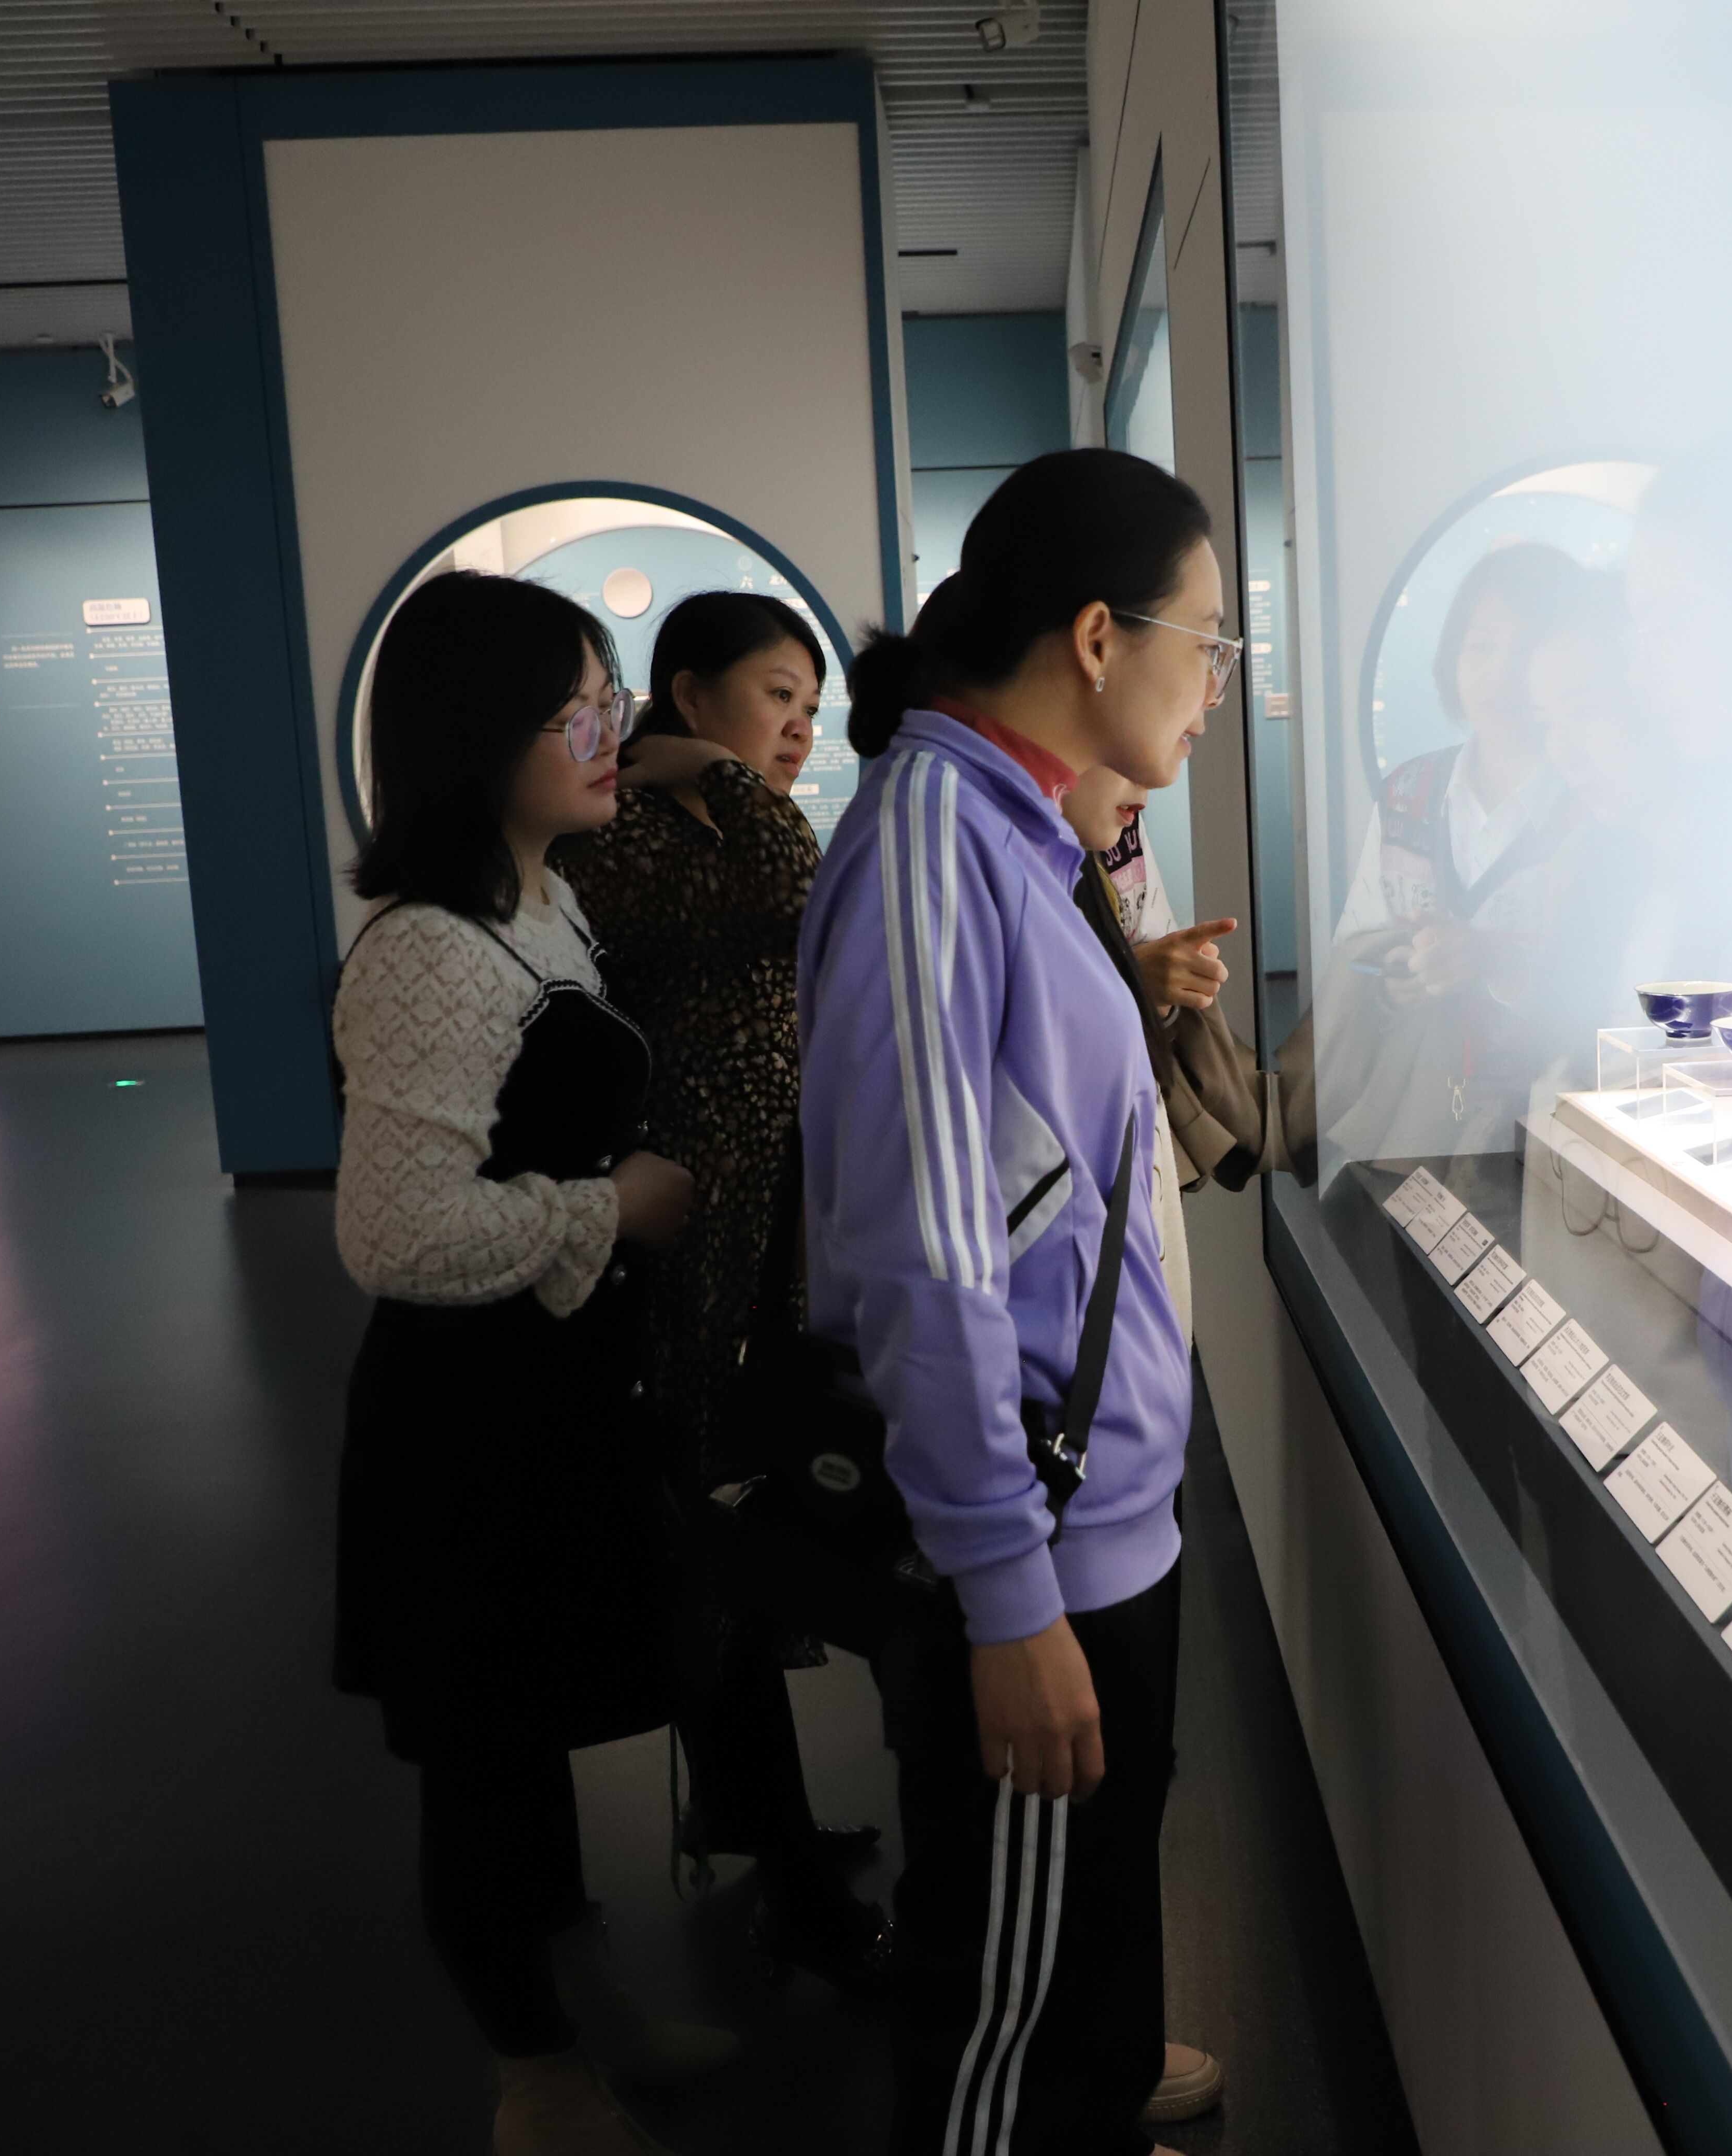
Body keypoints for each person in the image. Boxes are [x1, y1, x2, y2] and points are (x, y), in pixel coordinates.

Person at [800, 447, 1229, 2154]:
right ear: (1100, 637)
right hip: (1036, 1541)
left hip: (1098, 1517)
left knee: (1084, 1947)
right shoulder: (932, 840)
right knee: (1007, 2019)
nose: (1215, 685)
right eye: (1209, 643)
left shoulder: (1019, 824)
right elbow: (926, 1254)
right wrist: (1006, 1597)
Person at [329, 570, 724, 2156]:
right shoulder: (430, 951)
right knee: (486, 1752)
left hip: (551, 1403)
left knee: (526, 1725)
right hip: (469, 1427)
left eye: (609, 701)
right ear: (481, 731)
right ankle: (535, 2076)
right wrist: (612, 1209)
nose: (607, 733)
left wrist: (670, 745)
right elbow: (397, 1234)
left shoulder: (536, 894)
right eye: (577, 710)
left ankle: (581, 2005)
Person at [547, 591, 890, 1987]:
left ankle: (761, 1817)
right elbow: (798, 884)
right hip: (685, 1249)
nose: (799, 729)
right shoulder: (630, 828)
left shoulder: (705, 813)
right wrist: (716, 777)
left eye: (811, 706)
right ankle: (782, 1859)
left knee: (751, 1529)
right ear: (687, 692)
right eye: (774, 697)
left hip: (762, 1243)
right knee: (715, 1536)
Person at [1316, 540, 1596, 1160]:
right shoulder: (1407, 792)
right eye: (1481, 645)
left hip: (1551, 1126)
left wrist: (1493, 961)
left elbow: (1614, 991)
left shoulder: (1593, 802)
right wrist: (1395, 983)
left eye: (1524, 649)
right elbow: (1355, 947)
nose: (1499, 672)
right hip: (1414, 1118)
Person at [1057, 764, 1295, 1339]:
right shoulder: (1002, 846)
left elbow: (1150, 957)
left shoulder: (1114, 824)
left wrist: (1164, 989)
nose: (1147, 788)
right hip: (1079, 1179)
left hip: (1136, 1140)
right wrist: (1134, 980)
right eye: (1120, 759)